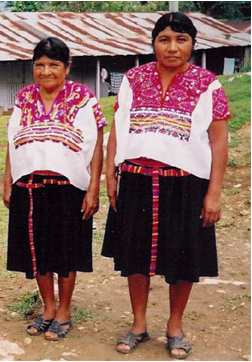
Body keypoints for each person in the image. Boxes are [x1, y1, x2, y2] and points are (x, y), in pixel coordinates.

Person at [102, 12, 230, 359]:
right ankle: (138, 324)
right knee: (135, 256)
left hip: (185, 185)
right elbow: (119, 128)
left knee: (183, 258)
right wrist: (111, 172)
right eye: (164, 39)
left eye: (181, 40)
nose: (172, 47)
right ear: (153, 43)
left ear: (192, 44)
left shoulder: (208, 84)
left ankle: (175, 325)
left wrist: (213, 193)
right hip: (137, 181)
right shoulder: (132, 79)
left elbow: (218, 142)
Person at [3, 37, 106, 341]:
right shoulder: (23, 97)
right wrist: (8, 179)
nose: (46, 71)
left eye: (53, 65)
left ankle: (64, 310)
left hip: (69, 187)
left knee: (66, 251)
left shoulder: (83, 98)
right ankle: (47, 308)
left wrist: (92, 189)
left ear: (67, 67)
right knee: (37, 252)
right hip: (30, 185)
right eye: (40, 65)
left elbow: (96, 145)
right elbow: (13, 141)